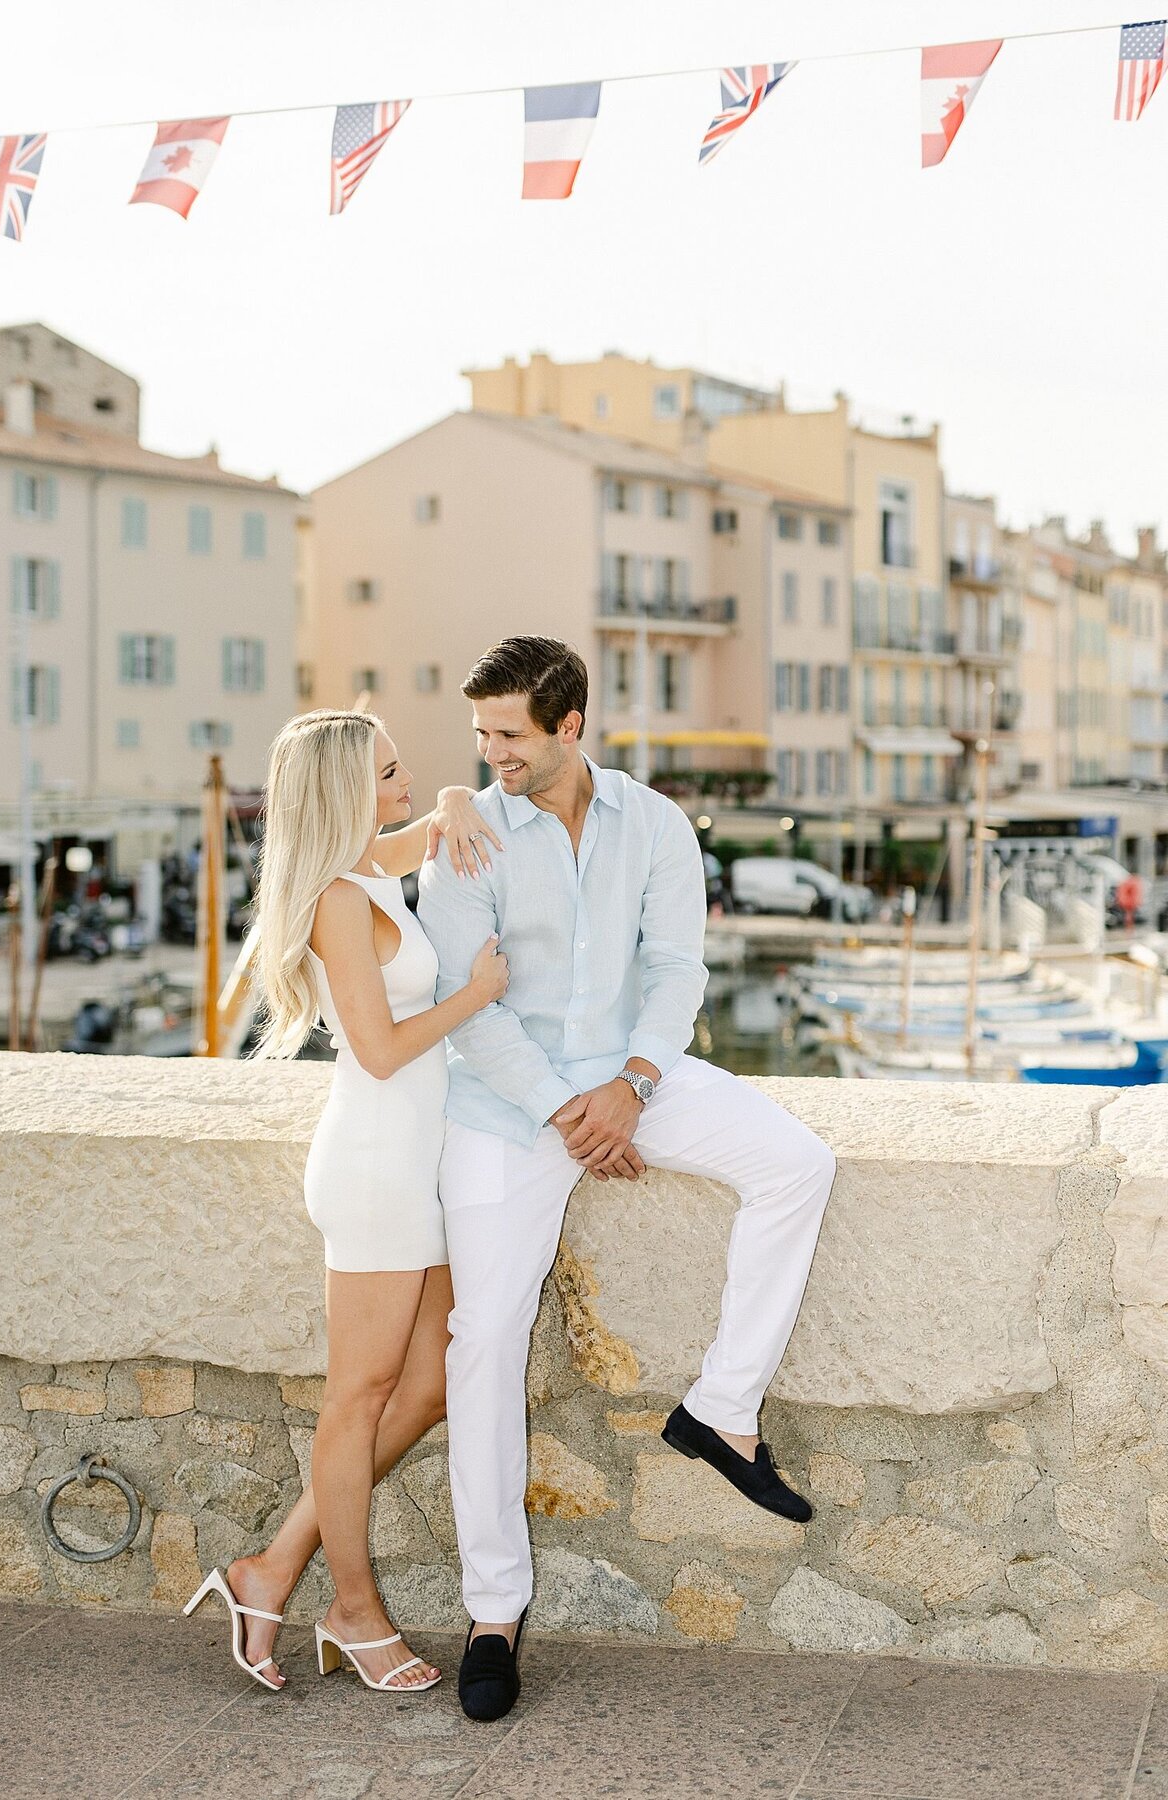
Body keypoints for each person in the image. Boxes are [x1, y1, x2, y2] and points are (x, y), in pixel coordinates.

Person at [417, 638, 837, 1723]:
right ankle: (494, 1611)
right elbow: (473, 1015)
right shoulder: (464, 836)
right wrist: (571, 1109)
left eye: (509, 735)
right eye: (481, 737)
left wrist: (635, 1085)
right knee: (484, 1343)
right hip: (510, 1105)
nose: (490, 753)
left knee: (798, 1162)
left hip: (636, 1077)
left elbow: (675, 970)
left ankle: (721, 1408)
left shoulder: (653, 824)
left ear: (570, 726)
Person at [183, 708, 508, 1695]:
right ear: (344, 793)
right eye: (391, 771)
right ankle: (354, 1611)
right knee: (356, 1403)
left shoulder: (370, 866)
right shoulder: (335, 897)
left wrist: (452, 799)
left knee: (429, 1387)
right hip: (375, 1173)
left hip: (420, 1169)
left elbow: (437, 824)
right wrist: (479, 992)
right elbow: (379, 1050)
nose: (408, 781)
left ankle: (271, 1568)